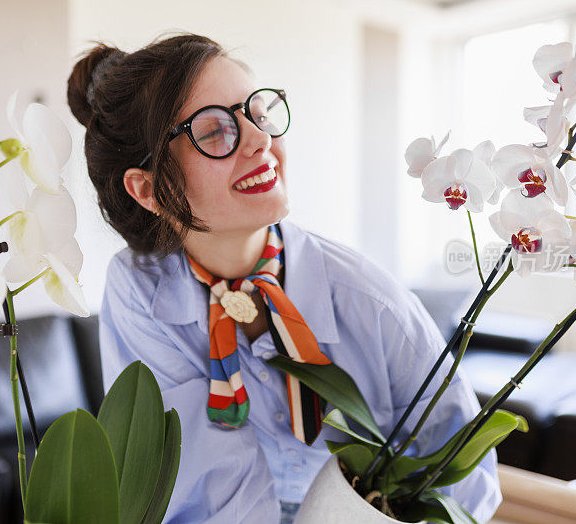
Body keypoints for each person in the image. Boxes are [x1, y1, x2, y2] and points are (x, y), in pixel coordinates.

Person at [67, 33, 502, 524]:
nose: (260, 140)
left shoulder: (370, 303)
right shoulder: (140, 289)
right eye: (213, 131)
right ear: (147, 189)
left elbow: (466, 480)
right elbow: (206, 491)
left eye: (258, 113)